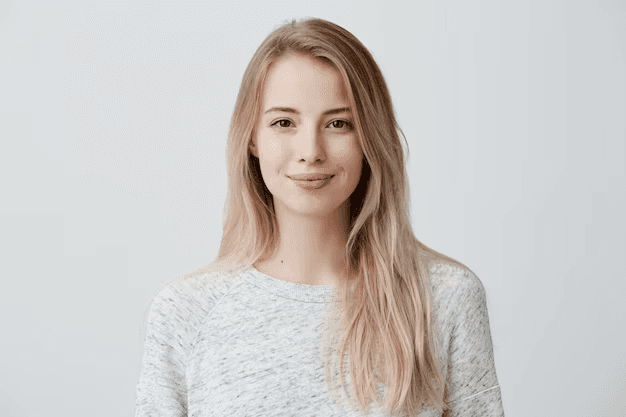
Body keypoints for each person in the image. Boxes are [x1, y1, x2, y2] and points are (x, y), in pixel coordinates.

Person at [134, 17, 504, 416]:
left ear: (369, 138)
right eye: (284, 122)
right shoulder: (185, 311)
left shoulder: (444, 299)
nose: (311, 151)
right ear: (252, 137)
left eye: (338, 124)